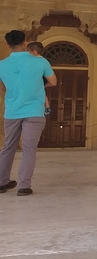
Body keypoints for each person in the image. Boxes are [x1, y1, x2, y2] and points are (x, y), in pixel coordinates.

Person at [0, 31, 56, 196]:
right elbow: (53, 81)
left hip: (12, 111)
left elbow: (3, 87)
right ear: (26, 42)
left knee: (8, 147)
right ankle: (24, 186)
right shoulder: (40, 62)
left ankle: (2, 182)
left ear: (7, 45)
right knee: (29, 148)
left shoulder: (2, 64)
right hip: (34, 111)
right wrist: (36, 86)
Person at [26, 42, 51, 116]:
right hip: (43, 78)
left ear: (33, 52)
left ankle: (47, 107)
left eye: (28, 51)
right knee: (43, 92)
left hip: (38, 78)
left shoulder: (33, 61)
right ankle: (47, 107)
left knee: (41, 92)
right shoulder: (44, 61)